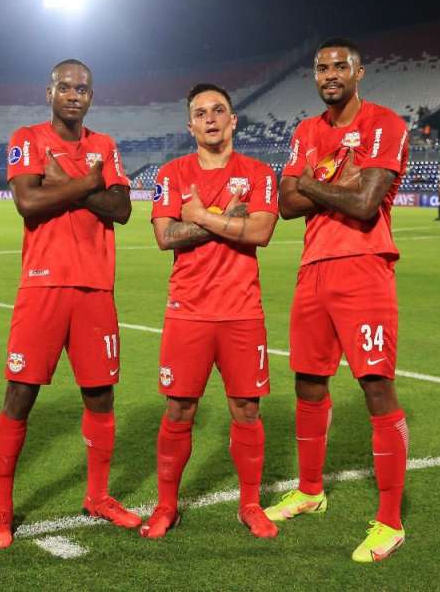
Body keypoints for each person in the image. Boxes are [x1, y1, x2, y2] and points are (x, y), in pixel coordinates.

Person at [265, 37, 410, 563]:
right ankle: (310, 490)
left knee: (375, 387)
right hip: (313, 271)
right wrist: (334, 181)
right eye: (321, 67)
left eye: (339, 66)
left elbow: (366, 203)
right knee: (307, 382)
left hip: (365, 268)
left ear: (359, 72)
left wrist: (312, 181)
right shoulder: (306, 130)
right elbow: (284, 204)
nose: (330, 73)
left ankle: (390, 522)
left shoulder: (384, 123)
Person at [0, 59, 138, 549]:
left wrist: (65, 185)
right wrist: (91, 182)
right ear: (48, 90)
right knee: (21, 394)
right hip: (42, 286)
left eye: (83, 89)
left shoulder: (105, 145)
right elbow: (29, 202)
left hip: (95, 288)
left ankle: (97, 496)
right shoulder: (25, 137)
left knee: (100, 395)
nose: (74, 95)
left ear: (92, 96)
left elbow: (123, 209)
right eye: (66, 87)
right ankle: (0, 512)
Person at [142, 84, 279, 539]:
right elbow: (165, 237)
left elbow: (259, 232)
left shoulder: (259, 173)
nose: (210, 118)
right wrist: (227, 220)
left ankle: (250, 504)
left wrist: (199, 215)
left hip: (242, 310)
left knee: (246, 409)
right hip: (188, 310)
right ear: (190, 126)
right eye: (200, 113)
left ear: (234, 119)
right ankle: (166, 506)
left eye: (219, 110)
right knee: (179, 409)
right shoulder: (173, 172)